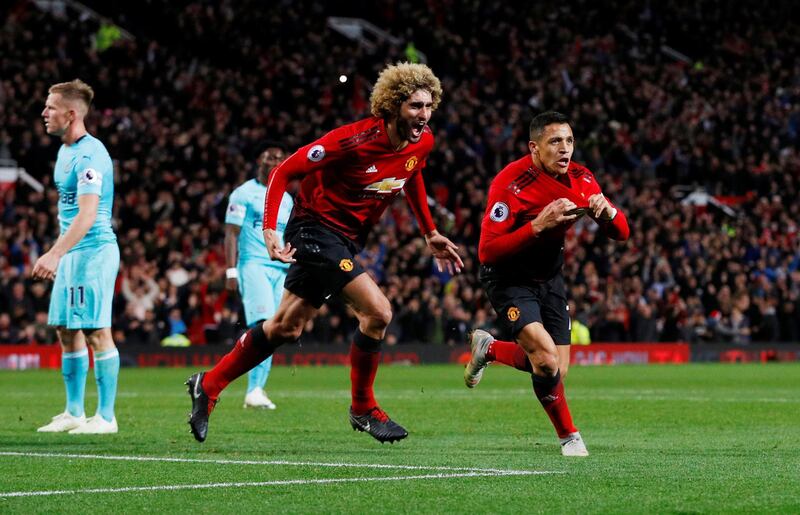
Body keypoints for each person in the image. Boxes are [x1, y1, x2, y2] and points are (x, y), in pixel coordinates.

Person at [186, 62, 463, 443]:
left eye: (429, 106)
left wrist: (429, 231)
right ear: (394, 104)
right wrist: (270, 228)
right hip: (314, 229)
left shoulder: (423, 141)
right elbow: (284, 170)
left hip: (347, 239)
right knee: (378, 312)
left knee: (286, 326)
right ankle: (363, 407)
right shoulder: (354, 140)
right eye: (415, 106)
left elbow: (411, 173)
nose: (424, 115)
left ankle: (209, 384)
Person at [464, 111, 629, 456]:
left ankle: (490, 349)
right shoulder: (511, 184)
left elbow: (622, 234)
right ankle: (570, 437)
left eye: (569, 140)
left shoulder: (582, 178)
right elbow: (487, 251)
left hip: (550, 279)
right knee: (546, 360)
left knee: (556, 369)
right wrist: (537, 225)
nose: (564, 148)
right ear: (534, 148)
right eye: (555, 141)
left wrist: (609, 214)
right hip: (508, 278)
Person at [33, 79, 120, 434]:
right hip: (73, 253)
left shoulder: (90, 155)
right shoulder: (64, 151)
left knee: (96, 331)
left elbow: (86, 215)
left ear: (70, 115)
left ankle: (106, 417)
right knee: (66, 330)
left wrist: (55, 253)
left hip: (94, 251)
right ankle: (73, 412)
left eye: (50, 107)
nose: (44, 113)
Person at [224, 145, 293, 410]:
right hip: (253, 265)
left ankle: (257, 388)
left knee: (275, 329)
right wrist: (231, 271)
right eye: (270, 157)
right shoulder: (243, 194)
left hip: (280, 270)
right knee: (263, 324)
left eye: (280, 159)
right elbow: (231, 233)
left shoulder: (285, 198)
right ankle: (251, 388)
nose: (275, 161)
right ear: (259, 162)